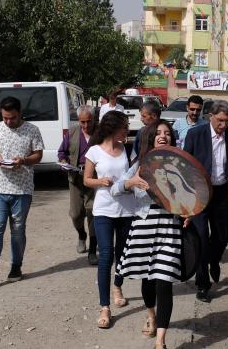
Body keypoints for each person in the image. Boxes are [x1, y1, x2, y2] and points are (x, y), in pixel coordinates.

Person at [113, 120, 185, 349]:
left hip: (169, 228)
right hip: (144, 226)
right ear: (151, 137)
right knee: (148, 278)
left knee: (164, 281)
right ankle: (151, 315)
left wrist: (190, 212)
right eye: (158, 133)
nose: (163, 136)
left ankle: (161, 341)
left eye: (167, 133)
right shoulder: (139, 163)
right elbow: (115, 189)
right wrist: (131, 182)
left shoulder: (179, 163)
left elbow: (192, 194)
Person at [0, 96, 44, 290]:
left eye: (12, 118)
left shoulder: (32, 130)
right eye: (5, 117)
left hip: (22, 190)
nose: (8, 121)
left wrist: (23, 160)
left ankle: (16, 266)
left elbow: (38, 155)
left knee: (17, 230)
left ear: (19, 113)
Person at [183, 100, 228, 302]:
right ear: (211, 117)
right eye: (221, 121)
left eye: (227, 121)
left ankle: (214, 260)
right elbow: (184, 166)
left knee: (222, 235)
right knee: (200, 238)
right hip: (199, 194)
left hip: (222, 192)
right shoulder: (195, 135)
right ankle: (202, 284)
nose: (224, 125)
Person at [83, 111, 136, 328]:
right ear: (113, 128)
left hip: (126, 211)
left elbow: (135, 174)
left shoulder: (128, 149)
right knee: (106, 256)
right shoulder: (94, 151)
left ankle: (117, 285)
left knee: (122, 255)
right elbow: (86, 180)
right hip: (103, 210)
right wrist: (100, 181)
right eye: (124, 126)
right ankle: (105, 307)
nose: (127, 130)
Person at [58, 105, 98, 264]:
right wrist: (63, 161)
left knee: (92, 213)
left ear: (94, 119)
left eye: (89, 121)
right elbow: (62, 152)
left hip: (94, 178)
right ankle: (82, 235)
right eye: (83, 122)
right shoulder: (73, 132)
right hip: (75, 177)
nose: (86, 126)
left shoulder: (100, 133)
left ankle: (93, 250)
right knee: (75, 213)